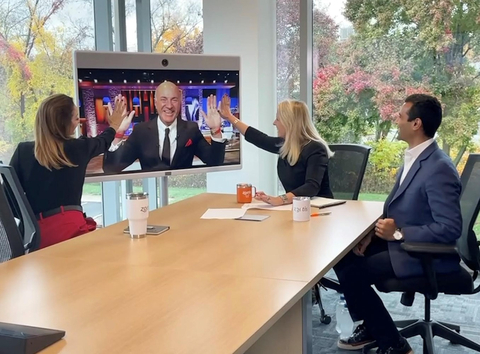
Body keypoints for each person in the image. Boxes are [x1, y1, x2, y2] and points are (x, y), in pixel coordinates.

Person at [334, 94, 462, 354]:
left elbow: (450, 228)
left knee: (353, 274)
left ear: (416, 124)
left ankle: (394, 344)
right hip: (403, 245)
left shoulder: (439, 167)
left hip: (424, 253)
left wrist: (400, 233)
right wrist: (373, 234)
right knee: (342, 257)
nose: (396, 120)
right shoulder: (415, 157)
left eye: (400, 116)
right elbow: (397, 207)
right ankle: (373, 326)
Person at [9, 93, 131, 249]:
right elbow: (103, 141)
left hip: (35, 237)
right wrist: (114, 124)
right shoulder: (77, 148)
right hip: (70, 230)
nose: (78, 122)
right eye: (75, 118)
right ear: (63, 123)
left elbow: (9, 200)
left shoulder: (23, 151)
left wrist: (31, 219)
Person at [218, 94, 333, 205]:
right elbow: (259, 138)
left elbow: (311, 187)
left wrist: (280, 199)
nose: (274, 123)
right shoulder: (285, 146)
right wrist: (229, 117)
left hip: (320, 211)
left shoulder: (316, 149)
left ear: (289, 123)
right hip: (295, 208)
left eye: (278, 119)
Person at [103, 81, 226, 173]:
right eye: (163, 99)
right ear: (156, 103)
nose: (169, 105)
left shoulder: (191, 130)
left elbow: (215, 162)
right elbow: (111, 168)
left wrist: (216, 130)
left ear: (179, 102)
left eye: (174, 100)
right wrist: (118, 134)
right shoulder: (141, 132)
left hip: (182, 194)